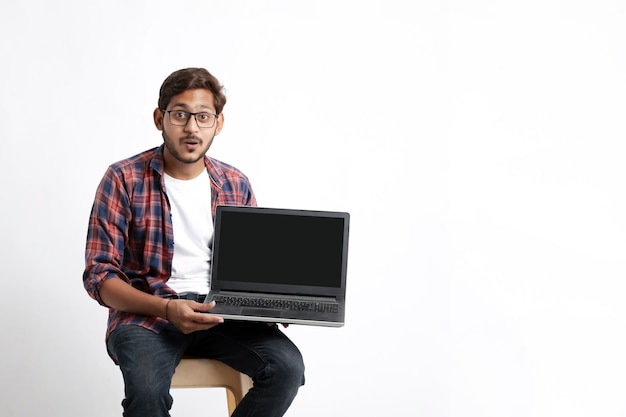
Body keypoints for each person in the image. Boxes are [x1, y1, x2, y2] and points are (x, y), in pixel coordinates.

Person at [83, 67, 305, 417]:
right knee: (146, 391)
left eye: (203, 117)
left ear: (218, 123)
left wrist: (274, 303)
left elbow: (251, 270)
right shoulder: (123, 178)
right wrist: (167, 309)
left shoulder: (235, 183)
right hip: (149, 314)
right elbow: (99, 277)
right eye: (180, 115)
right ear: (160, 118)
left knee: (287, 368)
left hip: (223, 315)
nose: (191, 128)